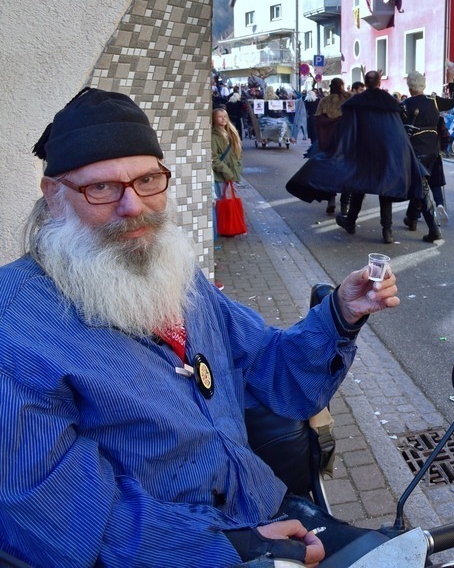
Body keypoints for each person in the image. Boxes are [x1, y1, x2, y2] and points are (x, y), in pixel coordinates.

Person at [1, 87, 400, 566]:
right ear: (53, 196)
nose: (134, 207)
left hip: (264, 507)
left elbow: (272, 370)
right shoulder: (15, 327)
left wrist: (339, 313)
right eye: (101, 188)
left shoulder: (175, 276)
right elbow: (58, 513)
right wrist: (238, 547)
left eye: (148, 179)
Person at [286, 70, 424, 245]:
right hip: (386, 152)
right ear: (380, 83)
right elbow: (397, 131)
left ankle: (350, 222)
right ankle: (386, 231)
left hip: (363, 151)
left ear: (365, 84)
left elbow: (346, 130)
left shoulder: (355, 103)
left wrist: (334, 150)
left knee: (358, 185)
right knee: (385, 188)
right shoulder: (390, 103)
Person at [400, 71, 454, 242]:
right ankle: (411, 219)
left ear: (410, 87)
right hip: (433, 150)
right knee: (421, 183)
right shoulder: (433, 101)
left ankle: (433, 229)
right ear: (423, 85)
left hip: (414, 150)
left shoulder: (405, 104)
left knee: (421, 187)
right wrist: (451, 82)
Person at [314, 78, 351, 215]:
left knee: (334, 171)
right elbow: (319, 121)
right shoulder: (348, 99)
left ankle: (334, 200)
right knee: (345, 171)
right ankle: (342, 204)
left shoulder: (327, 101)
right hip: (345, 140)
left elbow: (319, 122)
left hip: (335, 141)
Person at [211, 107, 242, 199]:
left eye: (225, 116)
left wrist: (239, 167)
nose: (223, 118)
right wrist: (227, 173)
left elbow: (238, 153)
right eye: (220, 116)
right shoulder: (213, 136)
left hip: (233, 175)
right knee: (224, 202)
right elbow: (214, 158)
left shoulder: (232, 133)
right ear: (214, 119)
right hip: (221, 177)